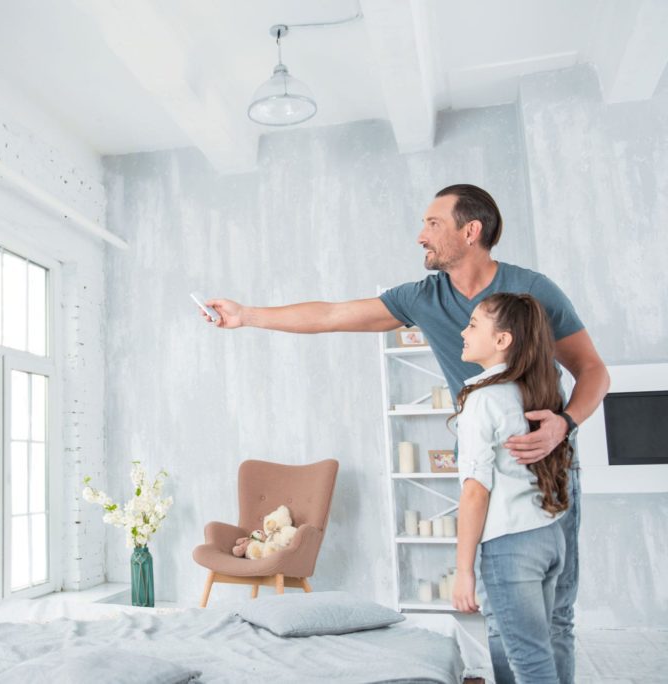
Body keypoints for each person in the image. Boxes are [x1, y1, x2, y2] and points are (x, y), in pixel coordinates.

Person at [203, 184, 609, 683]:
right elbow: (332, 314)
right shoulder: (423, 297)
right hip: (485, 469)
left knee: (556, 616)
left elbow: (593, 370)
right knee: (503, 617)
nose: (421, 235)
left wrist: (563, 425)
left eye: (432, 223)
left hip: (549, 467)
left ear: (471, 231)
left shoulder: (531, 293)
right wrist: (247, 316)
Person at [451, 293, 574, 682]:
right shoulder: (535, 391)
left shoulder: (484, 401)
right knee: (520, 645)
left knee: (529, 661)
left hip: (510, 544)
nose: (462, 331)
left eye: (473, 324)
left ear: (502, 340)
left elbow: (475, 492)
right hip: (548, 535)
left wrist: (463, 570)